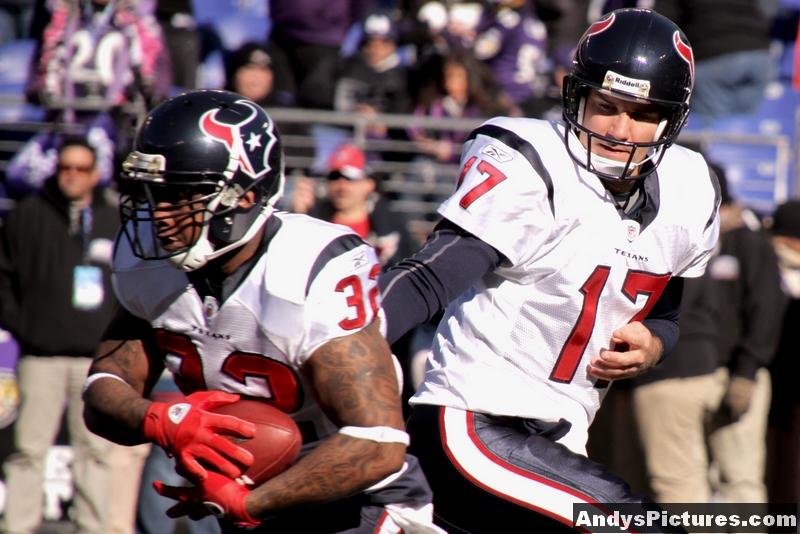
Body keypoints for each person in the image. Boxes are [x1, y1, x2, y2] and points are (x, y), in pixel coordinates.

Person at [378, 8, 720, 531]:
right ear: (575, 93)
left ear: (671, 120)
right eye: (606, 105)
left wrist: (653, 343)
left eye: (642, 114)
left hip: (558, 444)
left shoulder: (691, 188)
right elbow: (428, 279)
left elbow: (666, 315)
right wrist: (333, 346)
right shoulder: (534, 165)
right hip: (473, 424)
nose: (619, 129)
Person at [81, 89, 441, 533]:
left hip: (356, 501)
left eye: (182, 194)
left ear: (245, 196)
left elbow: (377, 442)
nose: (160, 214)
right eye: (153, 194)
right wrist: (161, 420)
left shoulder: (308, 269)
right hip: (248, 496)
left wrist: (250, 502)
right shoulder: (149, 265)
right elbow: (102, 389)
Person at [631, 164, 786, 504]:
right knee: (692, 481)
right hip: (700, 371)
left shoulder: (747, 242)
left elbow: (767, 309)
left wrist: (746, 372)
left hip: (733, 374)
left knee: (738, 480)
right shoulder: (682, 238)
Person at [0, 138, 120, 534]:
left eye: (81, 169)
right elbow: (4, 279)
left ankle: (94, 529)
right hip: (41, 355)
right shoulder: (28, 215)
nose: (72, 175)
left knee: (97, 452)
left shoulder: (114, 218)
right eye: (65, 167)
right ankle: (18, 528)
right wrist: (23, 325)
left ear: (96, 174)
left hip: (96, 360)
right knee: (28, 450)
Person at [289, 143, 417, 268]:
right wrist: (298, 217)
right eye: (334, 177)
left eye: (350, 178)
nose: (341, 185)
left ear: (369, 184)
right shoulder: (314, 222)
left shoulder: (391, 226)